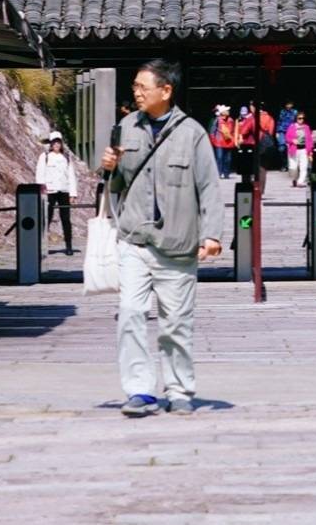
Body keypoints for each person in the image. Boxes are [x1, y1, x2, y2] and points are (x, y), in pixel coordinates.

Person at [101, 57, 224, 418]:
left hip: (177, 244)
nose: (136, 92)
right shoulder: (125, 127)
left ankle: (179, 389)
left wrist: (212, 234)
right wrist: (109, 168)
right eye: (135, 87)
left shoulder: (193, 133)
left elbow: (209, 187)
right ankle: (140, 390)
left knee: (176, 323)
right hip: (134, 239)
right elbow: (117, 185)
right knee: (131, 314)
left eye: (143, 87)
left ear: (166, 90)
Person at [35, 131, 78, 255]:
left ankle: (68, 245)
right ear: (51, 143)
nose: (56, 144)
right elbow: (40, 174)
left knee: (66, 219)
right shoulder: (45, 156)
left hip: (64, 190)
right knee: (46, 218)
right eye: (54, 142)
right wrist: (41, 191)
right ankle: (42, 245)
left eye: (58, 142)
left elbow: (71, 176)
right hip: (50, 191)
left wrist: (73, 193)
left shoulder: (66, 157)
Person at [285, 113, 314, 187]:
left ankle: (300, 182)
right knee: (293, 167)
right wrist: (292, 140)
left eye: (303, 118)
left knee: (303, 167)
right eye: (299, 118)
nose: (301, 120)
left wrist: (310, 151)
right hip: (294, 150)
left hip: (304, 150)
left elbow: (310, 140)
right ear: (296, 119)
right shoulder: (291, 127)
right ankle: (294, 179)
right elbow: (287, 138)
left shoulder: (307, 127)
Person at [209, 104, 236, 179]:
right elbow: (212, 131)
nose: (228, 111)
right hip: (219, 142)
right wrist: (213, 141)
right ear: (222, 112)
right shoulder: (217, 120)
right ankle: (219, 173)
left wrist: (234, 139)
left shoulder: (231, 120)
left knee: (228, 159)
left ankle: (226, 173)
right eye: (226, 110)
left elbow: (233, 131)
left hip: (229, 142)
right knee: (219, 158)